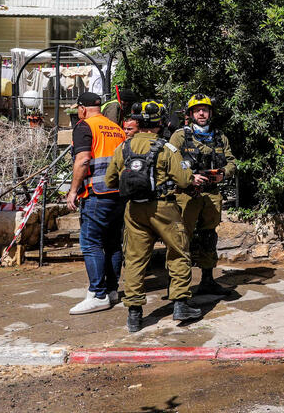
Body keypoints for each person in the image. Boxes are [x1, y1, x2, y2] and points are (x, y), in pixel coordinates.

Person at [105, 101, 209, 332]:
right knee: (179, 252)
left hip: (134, 210)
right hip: (164, 208)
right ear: (159, 123)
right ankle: (180, 304)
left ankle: (134, 313)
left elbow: (110, 181)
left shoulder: (123, 148)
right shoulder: (166, 148)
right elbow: (183, 180)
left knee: (135, 259)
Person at [168, 93, 237, 295]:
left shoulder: (219, 136)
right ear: (190, 114)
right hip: (186, 195)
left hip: (211, 193)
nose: (201, 113)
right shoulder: (180, 136)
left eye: (205, 110)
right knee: (182, 238)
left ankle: (208, 280)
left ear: (210, 113)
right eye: (197, 110)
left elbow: (231, 161)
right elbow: (170, 164)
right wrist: (190, 177)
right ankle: (178, 286)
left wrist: (223, 173)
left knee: (209, 236)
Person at [65, 91, 127, 315]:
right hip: (118, 194)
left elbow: (83, 159)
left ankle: (98, 294)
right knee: (112, 244)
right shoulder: (117, 129)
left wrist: (73, 191)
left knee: (91, 243)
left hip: (96, 194)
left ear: (82, 108)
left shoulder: (85, 126)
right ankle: (111, 291)